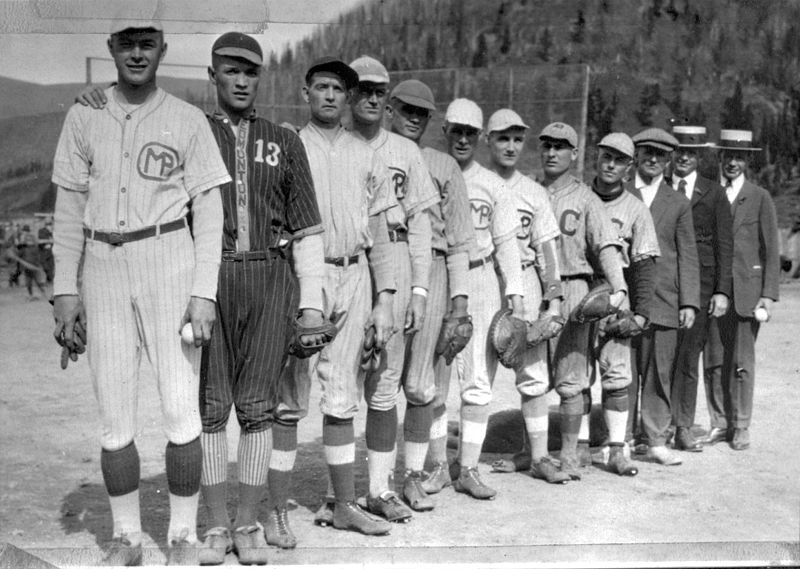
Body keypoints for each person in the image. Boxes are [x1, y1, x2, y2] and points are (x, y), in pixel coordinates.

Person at [51, 21, 230, 566]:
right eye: (125, 43)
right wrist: (63, 289)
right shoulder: (84, 114)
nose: (136, 53)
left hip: (169, 258)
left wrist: (204, 293)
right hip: (102, 263)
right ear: (109, 48)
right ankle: (126, 538)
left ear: (162, 50)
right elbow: (66, 210)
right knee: (114, 416)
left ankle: (181, 534)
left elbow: (211, 212)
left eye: (146, 43)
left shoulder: (186, 117)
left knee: (180, 408)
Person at [273, 56, 397, 536]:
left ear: (348, 98)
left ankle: (342, 503)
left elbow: (382, 231)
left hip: (354, 271)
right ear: (306, 92)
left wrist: (385, 298)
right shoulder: (288, 144)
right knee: (289, 393)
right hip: (302, 273)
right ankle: (279, 509)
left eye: (338, 89)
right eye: (321, 87)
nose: (329, 96)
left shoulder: (367, 153)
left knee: (342, 392)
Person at [346, 56, 439, 523]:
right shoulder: (331, 144)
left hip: (397, 261)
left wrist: (420, 289)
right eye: (360, 88)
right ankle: (337, 493)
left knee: (384, 383)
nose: (370, 96)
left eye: (378, 90)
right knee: (340, 384)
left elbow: (421, 224)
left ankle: (379, 489)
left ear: (388, 99)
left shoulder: (405, 150)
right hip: (344, 264)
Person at [383, 80, 475, 499]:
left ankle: (414, 476)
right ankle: (373, 482)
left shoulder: (444, 165)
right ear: (390, 109)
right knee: (378, 380)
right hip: (383, 263)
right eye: (406, 109)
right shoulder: (374, 150)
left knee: (421, 384)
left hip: (434, 269)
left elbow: (458, 242)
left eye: (422, 112)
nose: (414, 117)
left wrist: (459, 304)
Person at [439, 98, 525, 500]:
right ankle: (438, 466)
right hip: (437, 273)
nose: (461, 139)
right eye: (455, 130)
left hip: (480, 276)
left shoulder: (492, 183)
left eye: (469, 133)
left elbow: (508, 244)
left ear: (479, 137)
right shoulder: (430, 170)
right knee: (433, 379)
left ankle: (468, 467)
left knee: (476, 380)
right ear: (445, 131)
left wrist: (516, 297)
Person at [538, 122, 632, 479]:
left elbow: (606, 246)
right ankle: (530, 451)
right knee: (531, 373)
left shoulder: (586, 198)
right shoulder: (529, 190)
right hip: (534, 285)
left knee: (572, 375)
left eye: (561, 147)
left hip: (573, 284)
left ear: (574, 154)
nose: (552, 153)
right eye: (547, 146)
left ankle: (567, 454)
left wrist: (618, 287)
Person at [482, 109, 568, 484]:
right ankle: (459, 463)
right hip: (484, 279)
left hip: (527, 285)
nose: (511, 146)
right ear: (489, 140)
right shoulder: (475, 182)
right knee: (476, 376)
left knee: (533, 375)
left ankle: (539, 457)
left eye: (518, 139)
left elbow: (548, 249)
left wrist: (554, 297)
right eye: (503, 138)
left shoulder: (533, 191)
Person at [703, 129, 780, 451]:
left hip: (747, 292)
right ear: (720, 158)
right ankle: (720, 423)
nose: (732, 163)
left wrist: (768, 294)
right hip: (714, 292)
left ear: (747, 160)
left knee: (742, 361)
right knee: (713, 361)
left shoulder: (759, 196)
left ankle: (741, 424)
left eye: (739, 157)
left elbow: (771, 248)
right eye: (727, 156)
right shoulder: (709, 193)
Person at [587, 133, 661, 468]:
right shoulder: (578, 196)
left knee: (617, 377)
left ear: (629, 167)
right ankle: (579, 446)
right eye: (606, 156)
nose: (610, 164)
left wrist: (642, 313)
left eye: (619, 159)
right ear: (596, 157)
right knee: (575, 376)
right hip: (578, 293)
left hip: (616, 299)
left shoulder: (635, 209)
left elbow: (645, 265)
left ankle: (618, 448)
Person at [628, 128, 700, 466]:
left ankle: (656, 438)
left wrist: (688, 301)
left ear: (668, 160)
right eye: (646, 152)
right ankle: (623, 438)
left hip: (665, 300)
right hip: (625, 301)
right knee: (624, 372)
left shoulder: (678, 202)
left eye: (659, 154)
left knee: (659, 371)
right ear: (636, 155)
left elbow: (687, 254)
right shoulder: (622, 193)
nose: (652, 159)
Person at [668, 125, 733, 452]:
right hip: (666, 281)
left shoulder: (713, 192)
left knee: (690, 355)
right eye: (678, 151)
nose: (683, 157)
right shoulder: (661, 187)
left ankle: (682, 426)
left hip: (703, 286)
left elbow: (725, 243)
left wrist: (721, 291)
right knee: (661, 355)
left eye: (690, 153)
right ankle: (655, 426)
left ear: (698, 157)